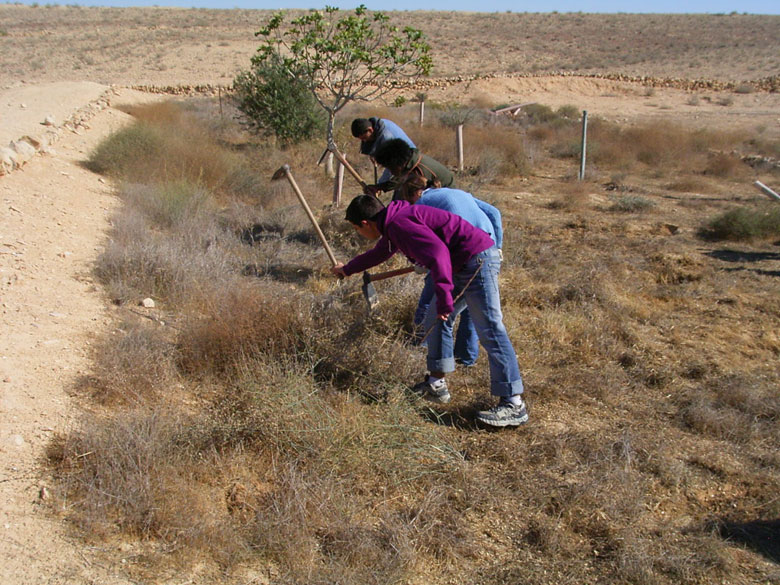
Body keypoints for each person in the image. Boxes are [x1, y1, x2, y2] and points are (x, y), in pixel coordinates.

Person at [331, 194, 528, 428]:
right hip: (464, 263)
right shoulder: (393, 223)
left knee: (490, 329)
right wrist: (348, 269)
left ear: (365, 223)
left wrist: (445, 297)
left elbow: (438, 255)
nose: (360, 235)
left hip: (478, 261)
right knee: (434, 317)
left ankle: (514, 403)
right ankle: (436, 384)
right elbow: (381, 252)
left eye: (357, 230)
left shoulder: (398, 224)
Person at [402, 175, 504, 369]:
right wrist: (497, 246)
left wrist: (423, 261)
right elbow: (494, 212)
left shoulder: (422, 203)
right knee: (473, 307)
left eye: (409, 201)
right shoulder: (459, 193)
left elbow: (431, 243)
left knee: (431, 298)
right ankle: (466, 358)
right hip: (487, 251)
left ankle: (422, 348)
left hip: (461, 254)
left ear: (415, 194)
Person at [373, 138, 455, 199]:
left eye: (390, 168)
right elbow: (399, 180)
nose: (391, 172)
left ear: (398, 165)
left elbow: (419, 200)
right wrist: (380, 187)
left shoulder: (421, 173)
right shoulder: (409, 161)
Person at [351, 117, 415, 195]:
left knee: (402, 195)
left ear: (370, 130)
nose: (365, 141)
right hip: (401, 160)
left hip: (409, 164)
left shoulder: (386, 138)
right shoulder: (378, 124)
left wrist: (379, 186)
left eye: (365, 138)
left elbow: (391, 168)